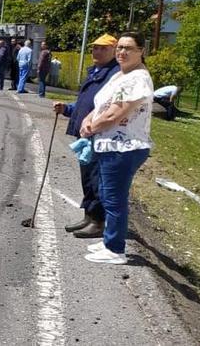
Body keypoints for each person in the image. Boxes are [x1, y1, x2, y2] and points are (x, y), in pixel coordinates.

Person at [80, 32, 154, 265]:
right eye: (120, 47)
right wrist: (87, 119)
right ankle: (108, 241)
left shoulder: (137, 79)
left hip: (124, 147)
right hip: (110, 144)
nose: (122, 52)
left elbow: (115, 114)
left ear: (141, 51)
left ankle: (115, 249)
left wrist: (92, 127)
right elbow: (102, 105)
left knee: (114, 199)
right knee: (106, 194)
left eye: (129, 48)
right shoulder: (121, 75)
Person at [51, 34, 120, 239]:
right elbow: (85, 103)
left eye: (102, 48)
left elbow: (109, 107)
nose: (96, 51)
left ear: (114, 51)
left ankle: (98, 222)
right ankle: (88, 216)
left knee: (97, 179)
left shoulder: (115, 74)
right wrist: (67, 109)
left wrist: (95, 124)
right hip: (86, 133)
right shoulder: (95, 72)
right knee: (87, 178)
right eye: (95, 48)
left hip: (100, 134)